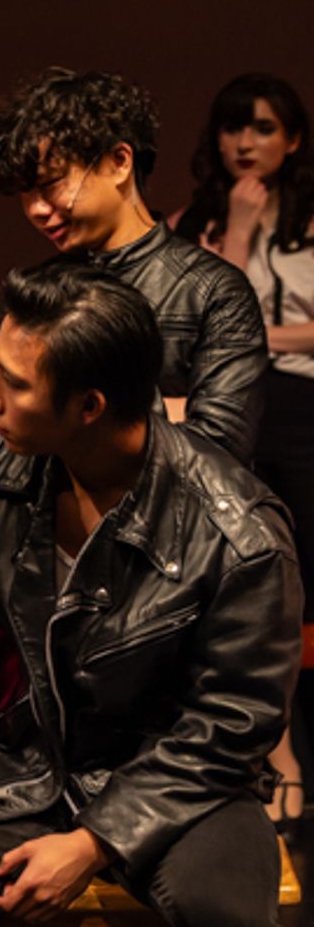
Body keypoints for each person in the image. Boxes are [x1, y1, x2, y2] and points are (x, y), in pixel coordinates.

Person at [0, 262, 301, 927]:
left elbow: (230, 723)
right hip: (24, 766)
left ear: (90, 406)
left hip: (181, 781)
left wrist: (93, 841)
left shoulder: (239, 531)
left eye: (14, 383)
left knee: (220, 909)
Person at [0, 67, 268, 464]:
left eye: (50, 185)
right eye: (24, 194)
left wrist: (65, 417)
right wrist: (168, 411)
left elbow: (220, 450)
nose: (36, 210)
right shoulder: (36, 292)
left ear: (119, 161)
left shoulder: (213, 291)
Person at [172, 72, 314, 833]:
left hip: (303, 407)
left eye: (263, 127)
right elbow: (204, 328)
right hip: (230, 411)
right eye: (233, 127)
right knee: (252, 576)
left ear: (292, 138)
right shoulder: (194, 223)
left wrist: (267, 338)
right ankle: (277, 750)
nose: (246, 142)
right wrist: (237, 231)